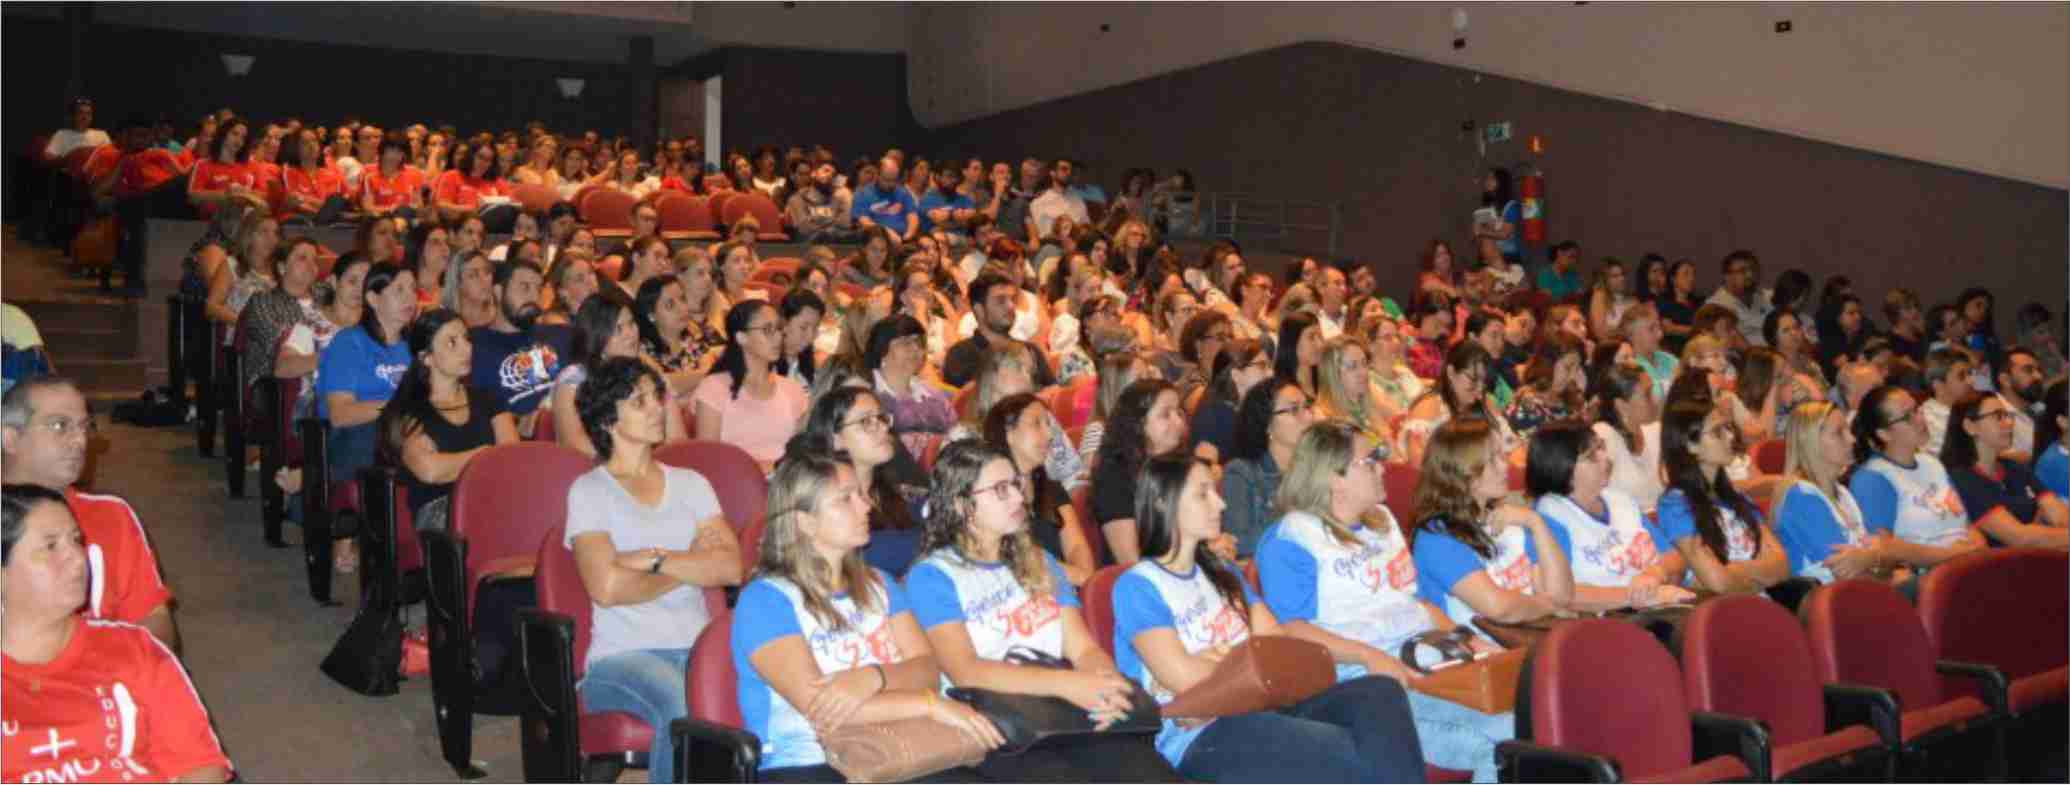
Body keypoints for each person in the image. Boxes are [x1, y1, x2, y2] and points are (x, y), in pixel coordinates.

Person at [1113, 452, 1427, 783]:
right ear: (1163, 502)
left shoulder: (1223, 571)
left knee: (1380, 693)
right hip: (1202, 736)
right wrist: (1244, 661)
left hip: (1263, 705)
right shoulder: (1138, 586)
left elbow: (1281, 650)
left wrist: (1223, 663)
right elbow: (1185, 680)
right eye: (1203, 493)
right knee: (1350, 755)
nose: (1220, 504)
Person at [901, 441, 1181, 780]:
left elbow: (1083, 648)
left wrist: (1105, 685)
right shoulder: (933, 576)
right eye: (1001, 490)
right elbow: (965, 670)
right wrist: (1067, 685)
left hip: (1063, 713)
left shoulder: (1040, 561)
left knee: (1148, 773)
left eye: (1016, 484)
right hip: (1000, 729)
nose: (1020, 498)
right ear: (963, 505)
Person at [1258, 421, 1518, 781]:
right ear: (1335, 478)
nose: (1383, 467)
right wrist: (1370, 655)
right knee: (1498, 749)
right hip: (1364, 685)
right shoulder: (1292, 538)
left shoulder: (1382, 522)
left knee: (1521, 723)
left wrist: (1467, 639)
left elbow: (1419, 603)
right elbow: (1293, 630)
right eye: (1370, 461)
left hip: (1425, 663)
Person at [733, 448, 1004, 782]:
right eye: (846, 499)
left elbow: (928, 669)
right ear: (803, 521)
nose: (866, 505)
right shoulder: (765, 601)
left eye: (861, 494)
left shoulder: (881, 584)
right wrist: (929, 705)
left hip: (901, 744)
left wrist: (873, 677)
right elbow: (823, 710)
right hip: (809, 762)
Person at [566, 357, 743, 785]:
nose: (658, 408)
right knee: (683, 703)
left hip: (699, 646)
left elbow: (731, 567)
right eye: (640, 401)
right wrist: (689, 563)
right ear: (608, 419)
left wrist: (656, 559)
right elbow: (606, 588)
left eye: (656, 397)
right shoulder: (590, 491)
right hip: (623, 656)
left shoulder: (692, 483)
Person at [1, 484, 233, 783]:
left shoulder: (136, 650)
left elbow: (200, 767)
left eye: (76, 540)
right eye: (51, 546)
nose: (76, 557)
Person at [1, 377, 180, 648]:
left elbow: (157, 623)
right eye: (59, 425)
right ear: (10, 438)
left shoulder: (112, 516)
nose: (80, 441)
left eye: (85, 427)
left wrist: (102, 668)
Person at [1409, 419, 1574, 631]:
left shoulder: (1512, 518)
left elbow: (1563, 593)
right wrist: (1549, 605)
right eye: (1494, 459)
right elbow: (1498, 608)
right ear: (1464, 471)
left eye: (1503, 455)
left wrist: (1536, 523)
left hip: (1532, 638)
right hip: (1487, 654)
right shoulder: (1436, 536)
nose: (1506, 465)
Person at [375, 308, 520, 533]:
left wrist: (462, 462)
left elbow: (511, 457)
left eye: (466, 338)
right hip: (441, 508)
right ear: (427, 357)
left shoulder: (488, 399)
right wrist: (485, 454)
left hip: (493, 496)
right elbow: (430, 470)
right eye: (452, 342)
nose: (467, 348)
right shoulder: (408, 410)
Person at [1526, 422, 1695, 611]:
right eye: (1591, 456)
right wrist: (1634, 597)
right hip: (1610, 621)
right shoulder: (1549, 516)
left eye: (1602, 447)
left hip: (1660, 604)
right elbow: (1556, 594)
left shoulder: (1620, 500)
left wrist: (1655, 573)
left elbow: (1674, 558)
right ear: (1562, 468)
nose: (1605, 457)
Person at [1769, 402, 1914, 585]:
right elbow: (1846, 574)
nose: (1852, 439)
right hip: (1829, 602)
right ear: (1811, 442)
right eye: (1839, 433)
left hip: (1861, 594)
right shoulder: (1801, 496)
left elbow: (1883, 553)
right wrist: (1881, 564)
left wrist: (1872, 558)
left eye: (1848, 430)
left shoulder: (1842, 493)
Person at [1849, 385, 1990, 569]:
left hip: (1965, 564)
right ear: (1884, 434)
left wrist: (1977, 546)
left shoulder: (1931, 463)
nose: (1921, 419)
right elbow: (1884, 547)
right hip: (1927, 577)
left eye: (1917, 409)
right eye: (1908, 416)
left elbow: (1965, 525)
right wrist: (1951, 555)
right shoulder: (1872, 478)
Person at [318, 262, 418, 495]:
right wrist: (398, 406)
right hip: (354, 436)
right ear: (373, 299)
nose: (410, 298)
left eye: (413, 289)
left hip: (404, 432)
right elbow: (340, 414)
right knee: (374, 433)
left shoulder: (416, 346)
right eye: (399, 290)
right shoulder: (349, 342)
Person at [982, 394, 1100, 583]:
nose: (1050, 435)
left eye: (1048, 425)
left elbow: (1076, 546)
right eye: (1037, 424)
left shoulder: (1049, 486)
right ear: (1008, 433)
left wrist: (1083, 575)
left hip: (1066, 587)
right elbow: (1013, 561)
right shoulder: (991, 496)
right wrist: (1076, 576)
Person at [553, 298, 685, 458]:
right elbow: (576, 446)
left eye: (631, 323)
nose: (631, 333)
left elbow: (678, 442)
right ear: (597, 337)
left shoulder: (647, 371)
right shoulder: (573, 380)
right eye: (618, 329)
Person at [1942, 393, 2070, 548]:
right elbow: (2019, 537)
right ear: (1970, 426)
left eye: (2008, 416)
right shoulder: (1962, 479)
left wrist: (2040, 531)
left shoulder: (2014, 468)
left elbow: (2060, 516)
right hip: (2002, 566)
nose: (2009, 423)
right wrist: (2039, 528)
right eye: (1998, 416)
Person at [693, 300, 808, 469]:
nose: (777, 337)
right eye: (767, 330)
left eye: (778, 329)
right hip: (732, 485)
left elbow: (801, 454)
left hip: (784, 486)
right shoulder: (713, 388)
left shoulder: (792, 390)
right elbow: (708, 460)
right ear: (741, 337)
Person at [1091, 379, 1191, 565]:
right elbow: (1130, 560)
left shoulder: (1182, 464)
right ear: (1138, 424)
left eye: (1178, 412)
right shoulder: (1114, 476)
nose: (1178, 421)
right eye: (1165, 415)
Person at [468, 261, 573, 435]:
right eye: (525, 287)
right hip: (517, 448)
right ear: (498, 291)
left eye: (537, 290)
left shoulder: (561, 335)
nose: (533, 297)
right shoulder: (473, 344)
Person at [942, 273, 1054, 388]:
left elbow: (1052, 393)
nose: (1010, 306)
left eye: (1012, 299)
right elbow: (964, 400)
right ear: (979, 310)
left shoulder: (1031, 350)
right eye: (1001, 300)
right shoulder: (960, 355)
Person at [1589, 363, 1666, 510]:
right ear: (1622, 405)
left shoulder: (1656, 430)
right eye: (1647, 394)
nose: (1655, 399)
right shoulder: (1603, 435)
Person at [1704, 251, 1773, 349]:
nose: (1750, 275)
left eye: (1753, 270)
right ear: (1727, 276)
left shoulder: (1764, 299)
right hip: (1748, 360)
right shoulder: (1715, 306)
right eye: (1742, 271)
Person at [851, 156, 920, 241]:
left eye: (894, 180)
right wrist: (886, 233)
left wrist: (908, 236)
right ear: (877, 175)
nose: (891, 184)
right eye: (887, 180)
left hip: (904, 239)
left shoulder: (903, 193)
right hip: (878, 240)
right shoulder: (862, 194)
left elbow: (913, 217)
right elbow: (864, 222)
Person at [1993, 348, 2046, 458]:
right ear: (2005, 380)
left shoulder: (2040, 407)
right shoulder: (1994, 415)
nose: (2038, 376)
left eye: (2039, 370)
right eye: (2028, 370)